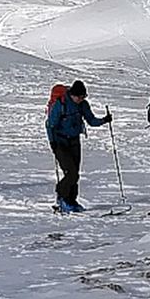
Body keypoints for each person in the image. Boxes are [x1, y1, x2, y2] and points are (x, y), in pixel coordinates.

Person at [47, 80, 112, 213]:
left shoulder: (82, 104)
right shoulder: (61, 104)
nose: (82, 99)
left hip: (74, 141)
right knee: (71, 172)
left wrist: (104, 120)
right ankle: (62, 198)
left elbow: (91, 120)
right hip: (60, 142)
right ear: (73, 95)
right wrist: (52, 142)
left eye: (84, 97)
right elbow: (50, 124)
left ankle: (71, 200)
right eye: (80, 97)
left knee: (75, 173)